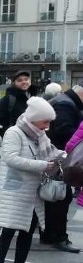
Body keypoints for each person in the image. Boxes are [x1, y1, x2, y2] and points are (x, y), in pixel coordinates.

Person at [0, 97, 63, 263]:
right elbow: (11, 159)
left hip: (33, 191)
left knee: (28, 231)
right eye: (45, 121)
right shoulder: (14, 133)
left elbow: (52, 152)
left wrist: (67, 157)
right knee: (6, 229)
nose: (47, 126)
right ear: (34, 118)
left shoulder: (40, 135)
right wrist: (43, 166)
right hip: (15, 189)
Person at [42, 84, 83, 253]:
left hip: (56, 156)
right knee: (60, 198)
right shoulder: (66, 104)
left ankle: (49, 234)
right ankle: (58, 236)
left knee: (54, 197)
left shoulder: (64, 101)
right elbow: (66, 132)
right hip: (60, 157)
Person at [0, 70, 31, 138]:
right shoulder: (8, 99)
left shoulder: (30, 97)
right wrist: (11, 135)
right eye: (20, 80)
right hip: (15, 139)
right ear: (14, 83)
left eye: (26, 79)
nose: (24, 82)